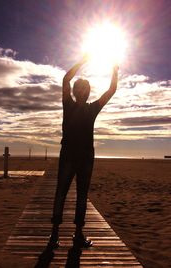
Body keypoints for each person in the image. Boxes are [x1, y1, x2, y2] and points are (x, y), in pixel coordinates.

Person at [48, 55, 119, 248]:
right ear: (75, 92)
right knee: (61, 193)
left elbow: (111, 90)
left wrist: (114, 71)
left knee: (80, 195)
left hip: (85, 157)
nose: (82, 91)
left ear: (87, 93)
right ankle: (54, 235)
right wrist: (83, 61)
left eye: (85, 89)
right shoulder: (68, 104)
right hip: (71, 155)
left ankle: (77, 233)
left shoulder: (92, 108)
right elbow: (65, 79)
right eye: (80, 88)